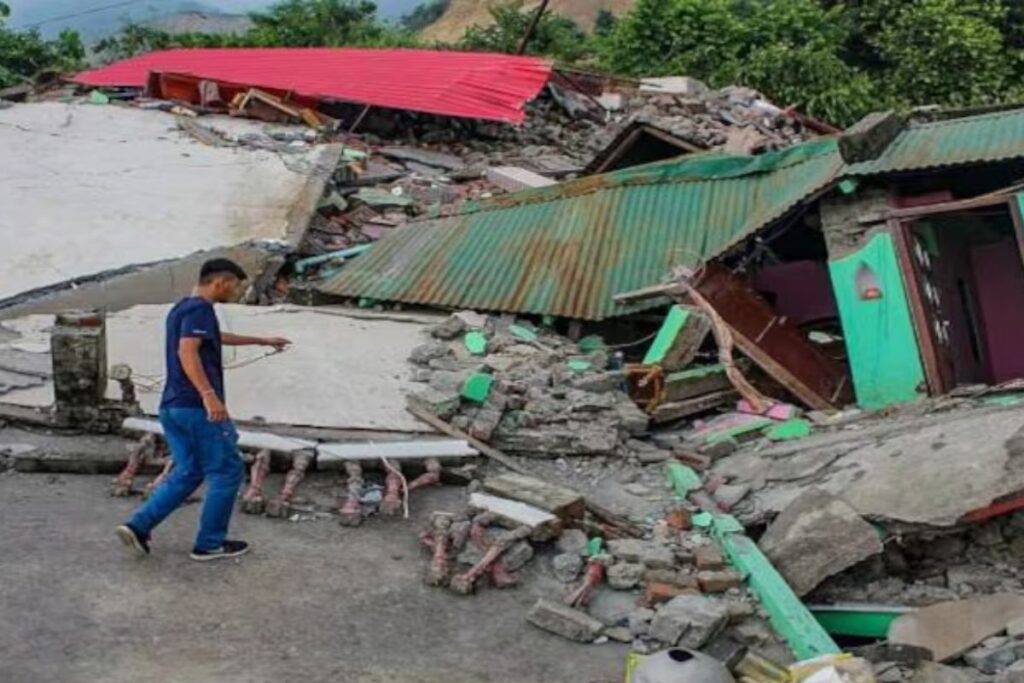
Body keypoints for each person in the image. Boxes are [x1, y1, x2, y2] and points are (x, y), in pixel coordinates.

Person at [116, 259, 291, 562]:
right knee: (227, 471)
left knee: (189, 471)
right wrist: (209, 396)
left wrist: (261, 340)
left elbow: (212, 338)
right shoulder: (201, 309)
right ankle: (210, 544)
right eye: (235, 286)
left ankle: (138, 526)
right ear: (221, 282)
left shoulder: (182, 308)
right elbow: (188, 351)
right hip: (197, 408)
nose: (236, 293)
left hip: (172, 407)